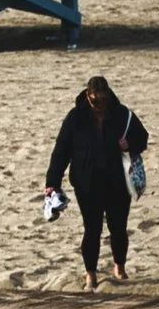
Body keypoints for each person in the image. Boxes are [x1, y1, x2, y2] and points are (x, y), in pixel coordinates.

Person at [45, 75, 148, 292]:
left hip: (118, 181)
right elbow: (61, 150)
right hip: (86, 182)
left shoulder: (122, 114)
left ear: (109, 96)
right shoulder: (75, 118)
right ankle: (90, 274)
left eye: (102, 99)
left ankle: (119, 267)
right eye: (94, 100)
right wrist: (52, 183)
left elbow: (143, 137)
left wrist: (129, 144)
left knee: (118, 227)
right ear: (87, 96)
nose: (99, 105)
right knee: (92, 229)